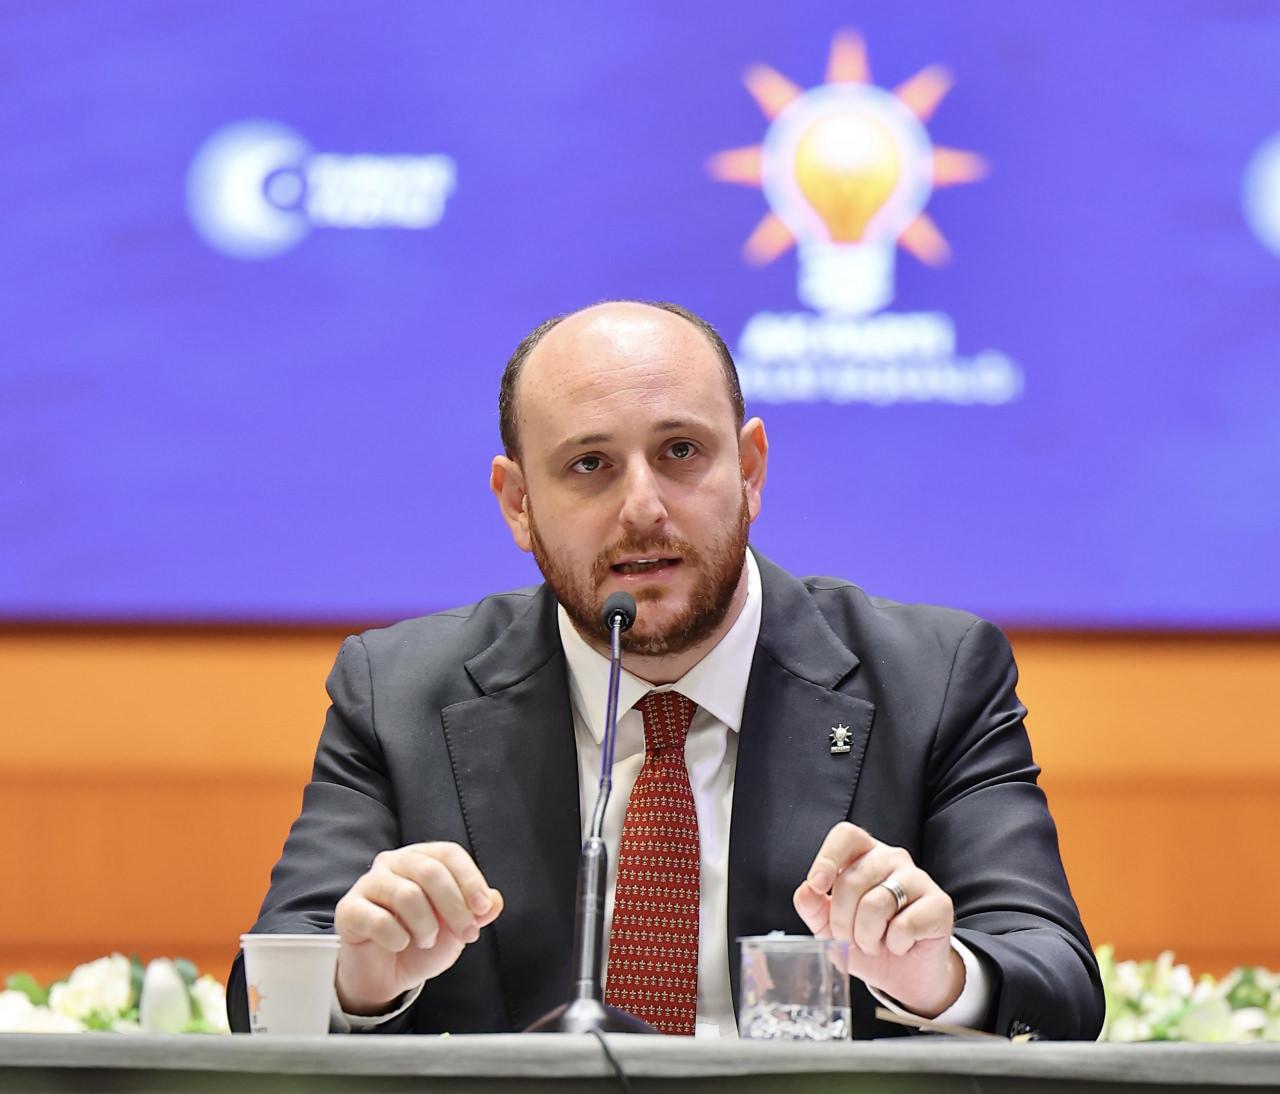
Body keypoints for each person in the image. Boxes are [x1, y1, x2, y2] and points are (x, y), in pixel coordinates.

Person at [228, 300, 1103, 1040]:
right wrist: (358, 980)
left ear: (749, 470)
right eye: (589, 465)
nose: (643, 508)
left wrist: (937, 976)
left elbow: (1056, 977)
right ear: (519, 504)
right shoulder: (397, 693)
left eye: (681, 451)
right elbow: (261, 994)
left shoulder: (932, 678)